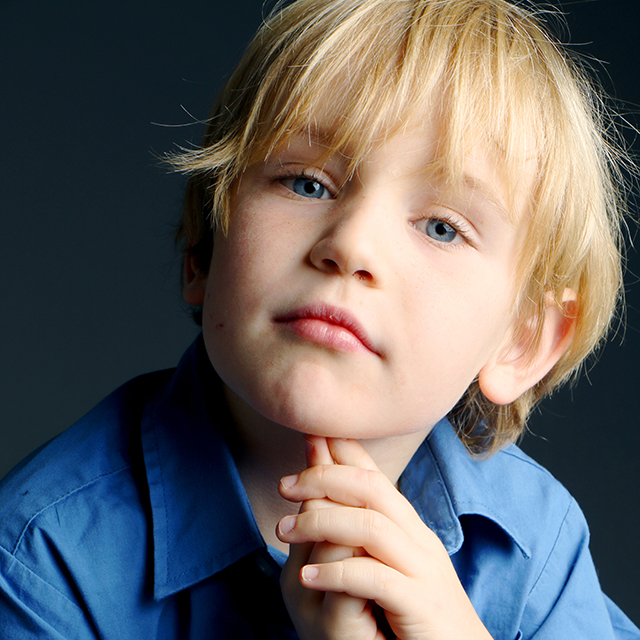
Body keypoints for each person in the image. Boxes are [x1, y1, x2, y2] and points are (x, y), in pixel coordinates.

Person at [0, 0, 638, 637]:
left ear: (523, 342)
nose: (351, 245)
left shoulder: (534, 546)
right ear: (203, 247)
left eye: (443, 228)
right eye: (307, 184)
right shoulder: (40, 563)